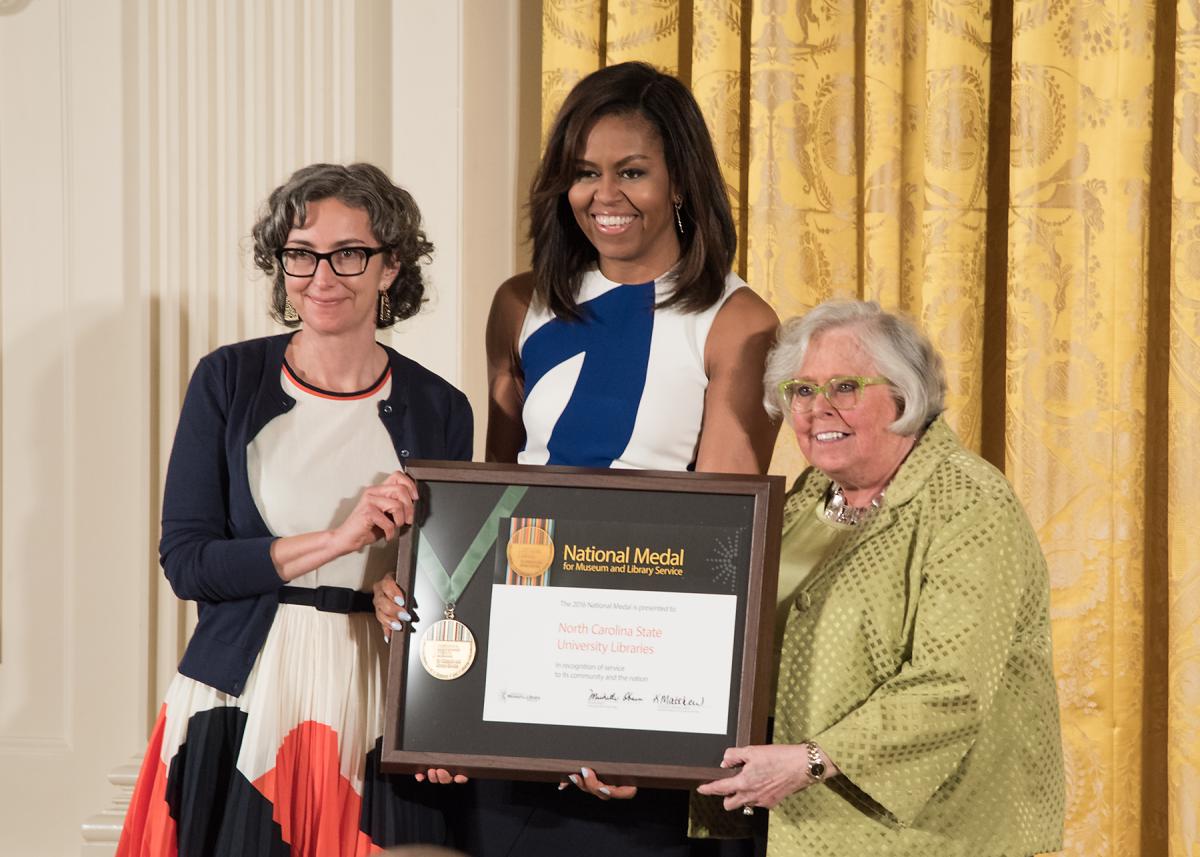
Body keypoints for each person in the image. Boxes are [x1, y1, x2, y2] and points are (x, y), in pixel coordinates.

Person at [375, 61, 779, 857]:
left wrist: (656, 749)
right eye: (585, 174)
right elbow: (487, 512)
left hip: (649, 686)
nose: (606, 195)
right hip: (520, 684)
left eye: (632, 171)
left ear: (682, 182)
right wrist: (420, 592)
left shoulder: (737, 320)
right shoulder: (520, 303)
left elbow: (725, 554)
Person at [118, 163, 473, 855]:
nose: (321, 276)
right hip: (241, 697)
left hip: (370, 696)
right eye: (301, 254)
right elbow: (188, 563)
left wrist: (401, 599)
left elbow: (447, 583)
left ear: (391, 266)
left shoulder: (442, 408)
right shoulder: (228, 379)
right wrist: (340, 537)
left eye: (348, 254)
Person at [696, 300, 1065, 856]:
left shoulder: (969, 503)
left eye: (844, 387)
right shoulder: (803, 502)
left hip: (931, 834)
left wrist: (813, 760)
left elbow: (952, 686)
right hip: (785, 820)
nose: (817, 409)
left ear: (904, 395)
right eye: (801, 390)